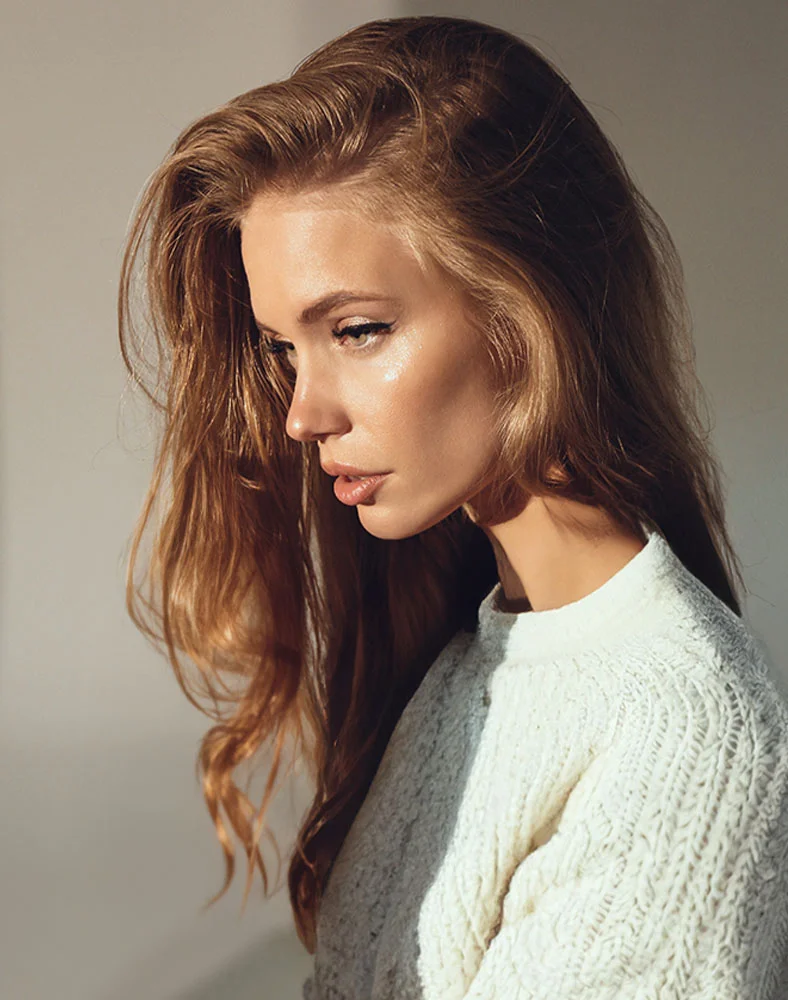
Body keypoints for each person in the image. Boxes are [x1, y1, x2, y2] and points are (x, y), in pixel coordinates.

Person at [117, 14, 788, 999]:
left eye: (356, 330)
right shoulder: (462, 665)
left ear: (527, 308)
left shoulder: (678, 730)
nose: (302, 412)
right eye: (285, 348)